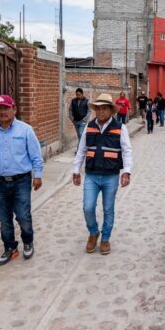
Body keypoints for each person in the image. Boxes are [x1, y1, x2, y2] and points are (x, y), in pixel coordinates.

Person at [0, 95, 44, 266]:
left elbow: (36, 155)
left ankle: (28, 242)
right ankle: (10, 248)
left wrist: (38, 175)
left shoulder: (25, 130)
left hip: (21, 180)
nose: (3, 112)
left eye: (6, 108)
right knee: (4, 219)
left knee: (23, 215)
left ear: (14, 109)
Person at [72, 93, 133, 255]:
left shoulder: (120, 128)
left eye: (104, 108)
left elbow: (127, 151)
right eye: (98, 108)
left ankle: (105, 238)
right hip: (91, 175)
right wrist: (75, 170)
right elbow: (81, 150)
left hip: (111, 176)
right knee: (88, 207)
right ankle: (93, 233)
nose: (100, 112)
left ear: (111, 111)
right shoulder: (89, 126)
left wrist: (127, 171)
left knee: (108, 208)